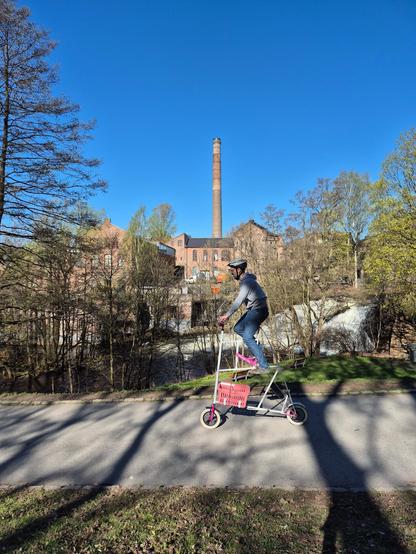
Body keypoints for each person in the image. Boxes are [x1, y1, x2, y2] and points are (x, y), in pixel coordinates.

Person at [218, 259, 269, 373]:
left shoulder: (247, 282)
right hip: (255, 310)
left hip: (258, 310)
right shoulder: (246, 281)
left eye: (232, 270)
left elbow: (238, 301)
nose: (231, 273)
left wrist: (226, 316)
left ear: (239, 270)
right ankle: (257, 351)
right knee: (238, 328)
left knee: (247, 337)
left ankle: (264, 367)